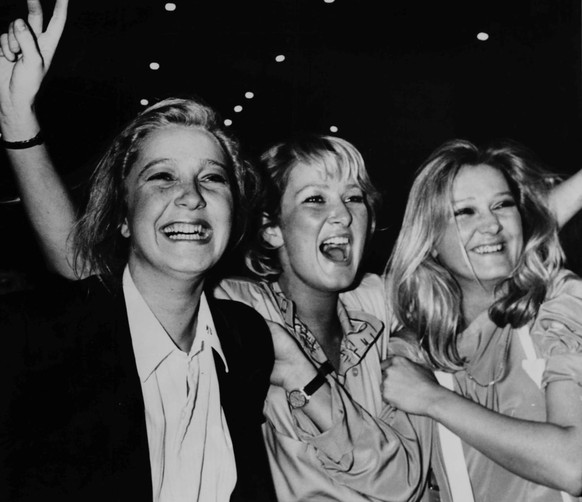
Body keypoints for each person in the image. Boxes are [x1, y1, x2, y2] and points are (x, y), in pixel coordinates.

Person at [0, 4, 277, 501]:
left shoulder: (247, 341)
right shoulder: (35, 341)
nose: (192, 196)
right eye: (161, 176)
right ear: (123, 216)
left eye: (212, 177)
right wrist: (17, 118)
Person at [382, 139, 582, 502]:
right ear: (430, 238)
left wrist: (433, 399)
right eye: (465, 212)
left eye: (502, 205)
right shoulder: (415, 348)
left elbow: (574, 465)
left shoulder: (559, 305)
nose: (490, 224)